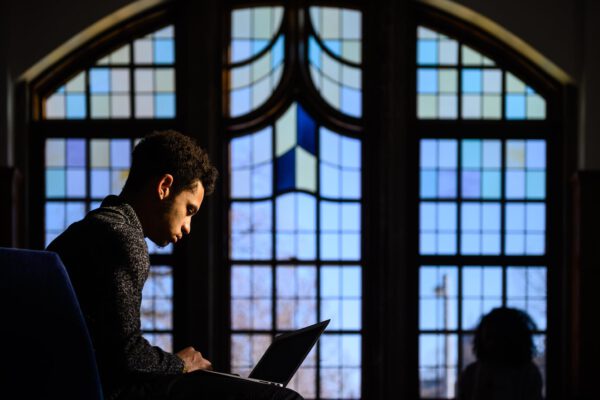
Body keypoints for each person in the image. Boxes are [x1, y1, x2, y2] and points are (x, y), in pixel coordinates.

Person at [47, 130, 303, 400]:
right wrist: (182, 364)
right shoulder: (122, 238)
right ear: (164, 187)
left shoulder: (85, 230)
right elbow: (126, 356)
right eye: (189, 210)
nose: (188, 227)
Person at [456, 307, 543, 400]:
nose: (492, 342)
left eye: (496, 337)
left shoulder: (528, 373)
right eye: (489, 336)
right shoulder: (471, 373)